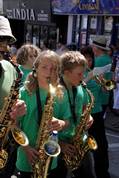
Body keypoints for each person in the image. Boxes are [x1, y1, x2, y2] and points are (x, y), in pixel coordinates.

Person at [14, 50, 71, 178]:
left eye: (54, 69)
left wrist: (61, 123)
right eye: (44, 67)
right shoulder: (24, 92)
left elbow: (67, 121)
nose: (49, 72)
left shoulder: (61, 93)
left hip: (51, 160)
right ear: (36, 68)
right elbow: (14, 126)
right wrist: (27, 148)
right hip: (27, 159)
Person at [52, 50, 95, 178]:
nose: (83, 77)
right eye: (79, 74)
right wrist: (61, 144)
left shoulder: (81, 87)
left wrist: (89, 117)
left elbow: (84, 108)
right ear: (66, 72)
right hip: (61, 145)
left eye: (83, 73)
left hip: (80, 142)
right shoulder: (56, 93)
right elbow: (46, 123)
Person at [0, 15, 26, 178]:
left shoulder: (13, 69)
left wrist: (19, 106)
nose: (3, 45)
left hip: (6, 144)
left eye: (6, 40)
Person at [81, 45, 111, 178]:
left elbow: (105, 90)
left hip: (97, 112)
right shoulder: (79, 74)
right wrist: (89, 77)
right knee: (86, 147)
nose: (89, 62)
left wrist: (104, 82)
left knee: (102, 145)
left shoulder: (95, 73)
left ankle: (103, 173)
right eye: (86, 59)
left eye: (90, 59)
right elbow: (77, 87)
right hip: (84, 114)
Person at [92, 35, 113, 118]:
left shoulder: (98, 60)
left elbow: (91, 79)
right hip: (105, 96)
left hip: (97, 97)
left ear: (96, 48)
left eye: (93, 46)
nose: (92, 48)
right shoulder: (108, 59)